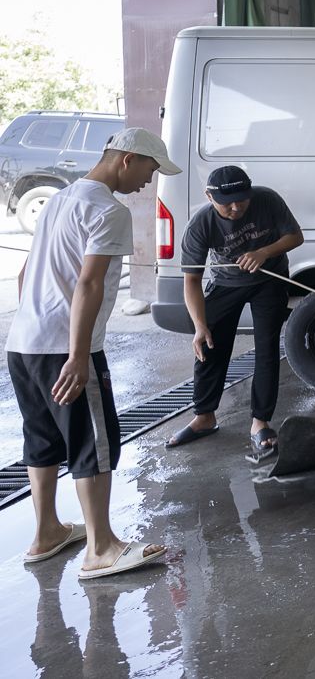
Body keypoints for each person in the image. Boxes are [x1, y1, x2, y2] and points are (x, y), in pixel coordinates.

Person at [8, 127, 178, 578]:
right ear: (127, 159)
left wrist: (38, 325)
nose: (148, 181)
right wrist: (78, 355)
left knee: (41, 437)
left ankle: (47, 532)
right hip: (64, 346)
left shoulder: (59, 200)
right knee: (93, 440)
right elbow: (89, 283)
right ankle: (101, 547)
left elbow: (25, 274)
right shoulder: (108, 209)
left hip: (23, 342)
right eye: (150, 170)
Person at [165, 166, 302, 460]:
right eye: (227, 203)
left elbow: (295, 236)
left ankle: (260, 422)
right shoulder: (200, 224)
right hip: (226, 283)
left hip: (270, 279)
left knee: (267, 349)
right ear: (209, 196)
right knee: (208, 343)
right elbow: (191, 281)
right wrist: (199, 326)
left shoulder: (267, 199)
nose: (237, 207)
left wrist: (264, 252)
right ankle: (204, 417)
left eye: (242, 199)